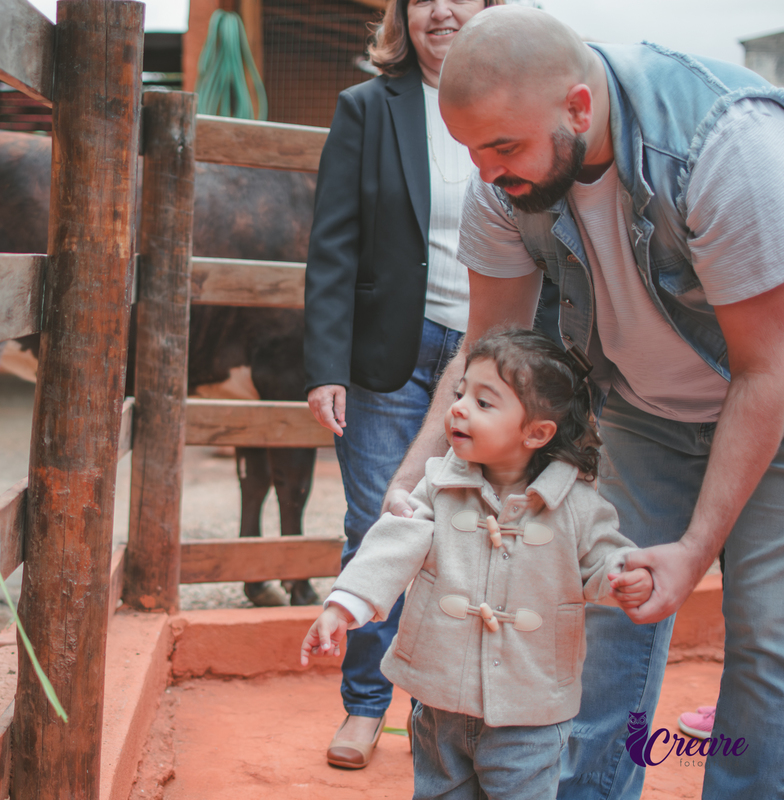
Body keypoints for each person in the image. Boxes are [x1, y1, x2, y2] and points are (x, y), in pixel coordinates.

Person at [380, 6, 784, 798]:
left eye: (503, 148)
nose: (488, 174)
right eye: (472, 151)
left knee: (769, 640)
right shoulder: (504, 176)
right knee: (603, 620)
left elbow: (766, 369)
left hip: (775, 403)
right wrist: (415, 477)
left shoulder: (727, 149)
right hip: (645, 410)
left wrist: (696, 549)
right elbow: (485, 350)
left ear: (578, 108)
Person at [302, 328, 654, 799]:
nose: (459, 408)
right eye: (460, 392)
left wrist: (622, 577)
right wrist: (342, 607)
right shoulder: (439, 484)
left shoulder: (577, 506)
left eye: (484, 403)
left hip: (530, 710)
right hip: (440, 703)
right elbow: (392, 546)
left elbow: (604, 560)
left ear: (537, 432)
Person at [303, 0, 501, 768]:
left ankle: (437, 711)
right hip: (387, 354)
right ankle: (364, 706)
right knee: (376, 524)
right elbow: (332, 245)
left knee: (464, 536)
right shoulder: (367, 109)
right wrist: (326, 366)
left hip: (488, 356)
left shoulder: (509, 100)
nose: (442, 10)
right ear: (403, 13)